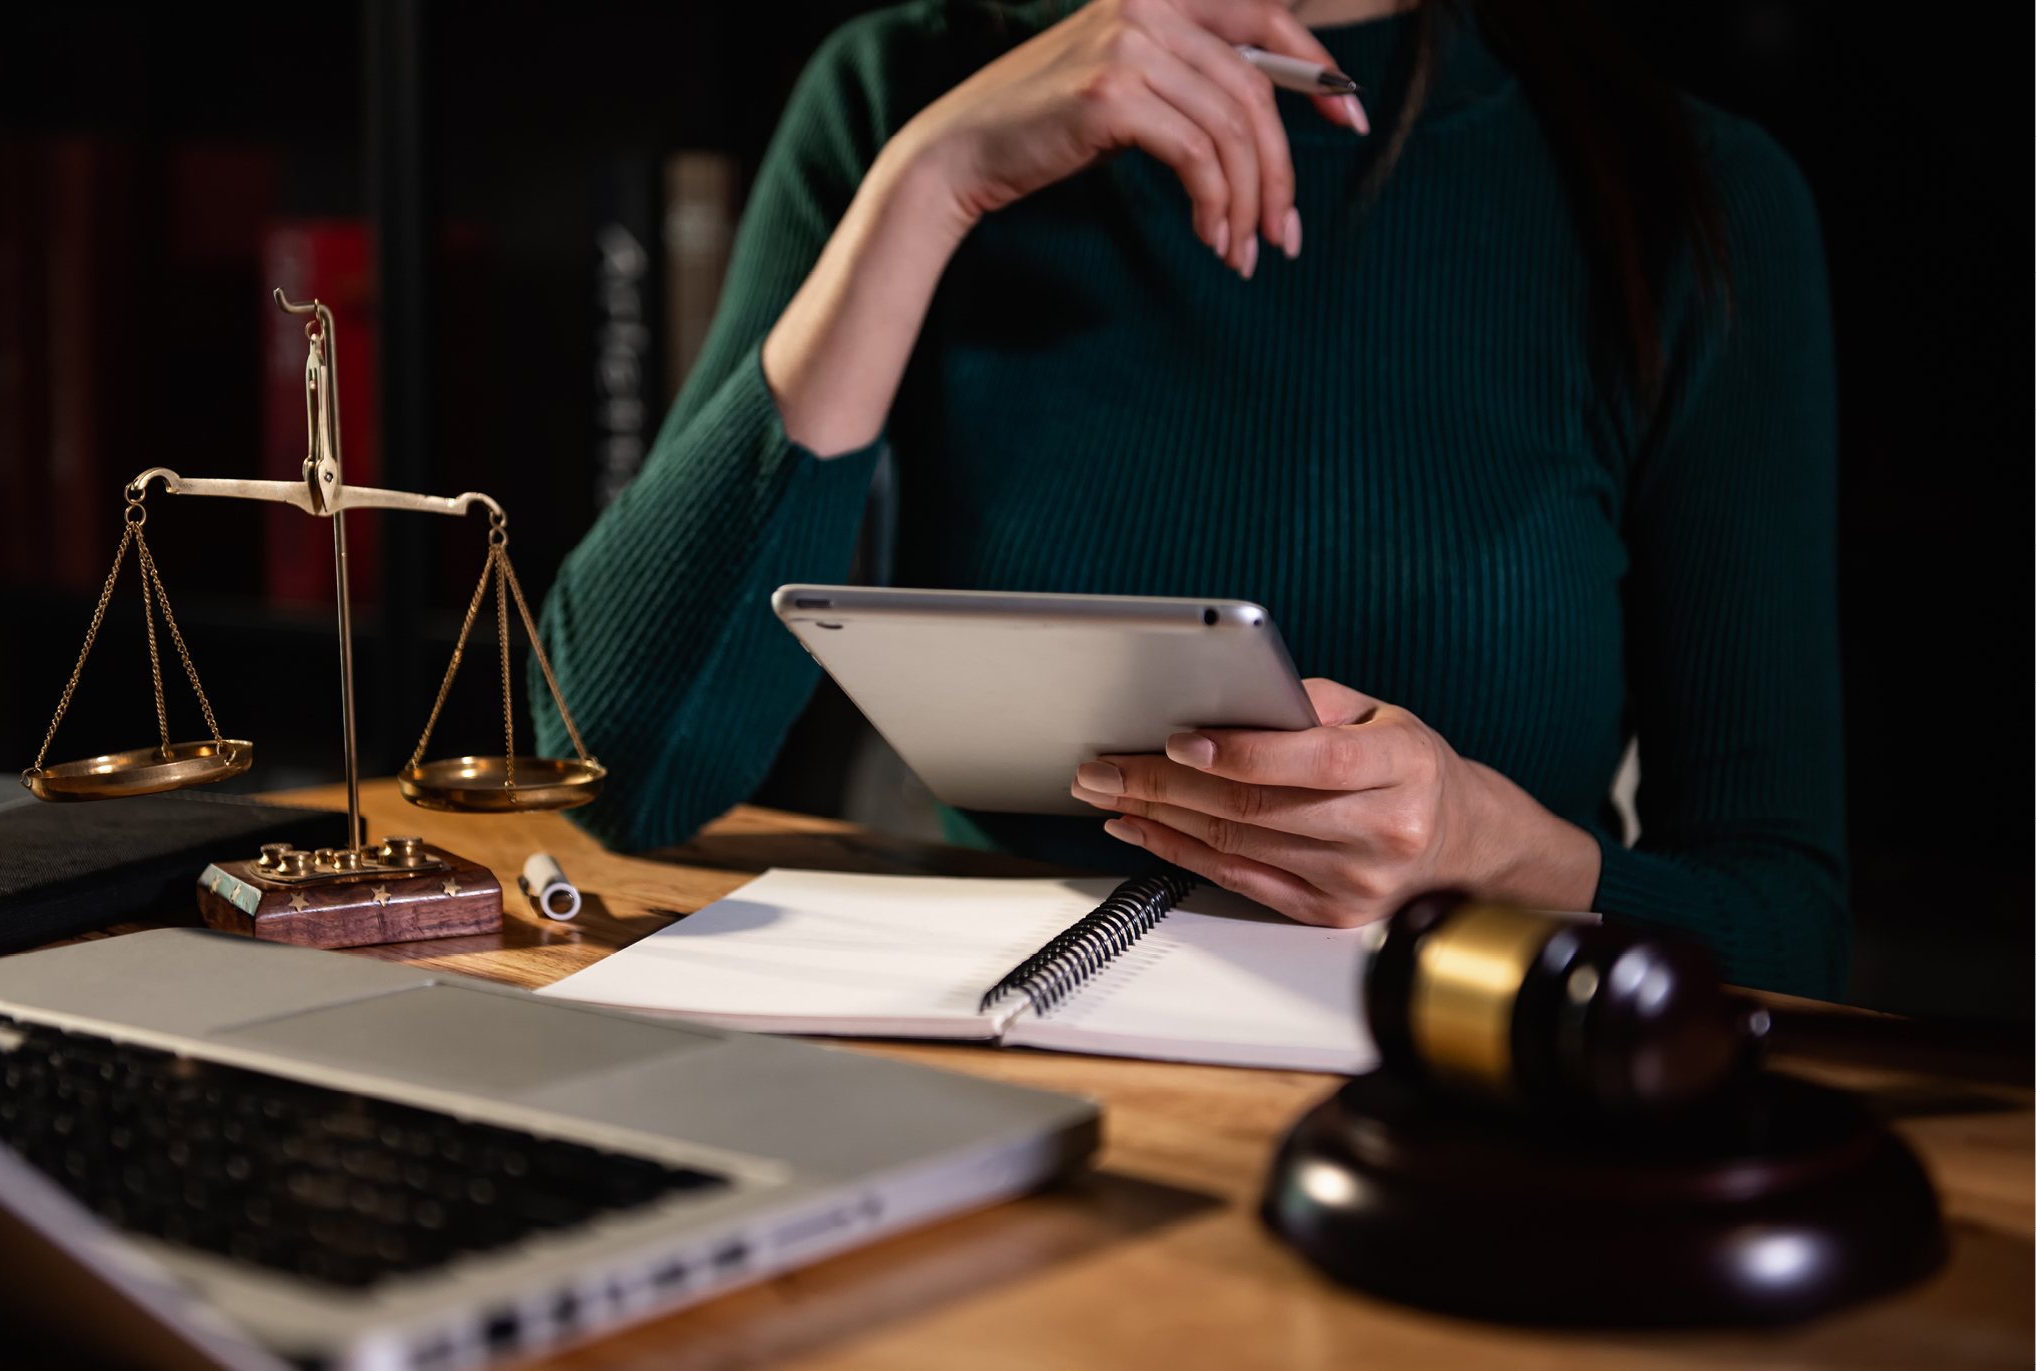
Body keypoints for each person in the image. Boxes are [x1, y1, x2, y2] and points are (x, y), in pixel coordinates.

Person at [533, 0, 1846, 997]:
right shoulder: (908, 87)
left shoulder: (1687, 190)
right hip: (1009, 1063)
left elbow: (1786, 919)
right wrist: (932, 184)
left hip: (1470, 1098)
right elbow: (613, 779)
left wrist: (1495, 856)